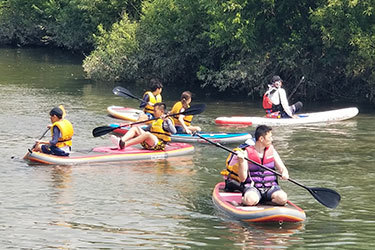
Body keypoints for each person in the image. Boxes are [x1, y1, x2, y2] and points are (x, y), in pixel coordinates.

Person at [221, 125, 289, 206]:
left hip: (271, 187)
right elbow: (242, 178)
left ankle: (265, 200)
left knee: (283, 198)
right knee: (250, 200)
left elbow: (283, 169)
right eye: (270, 137)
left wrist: (285, 173)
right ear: (261, 139)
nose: (272, 139)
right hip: (253, 188)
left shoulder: (272, 151)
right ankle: (244, 200)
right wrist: (241, 161)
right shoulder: (246, 153)